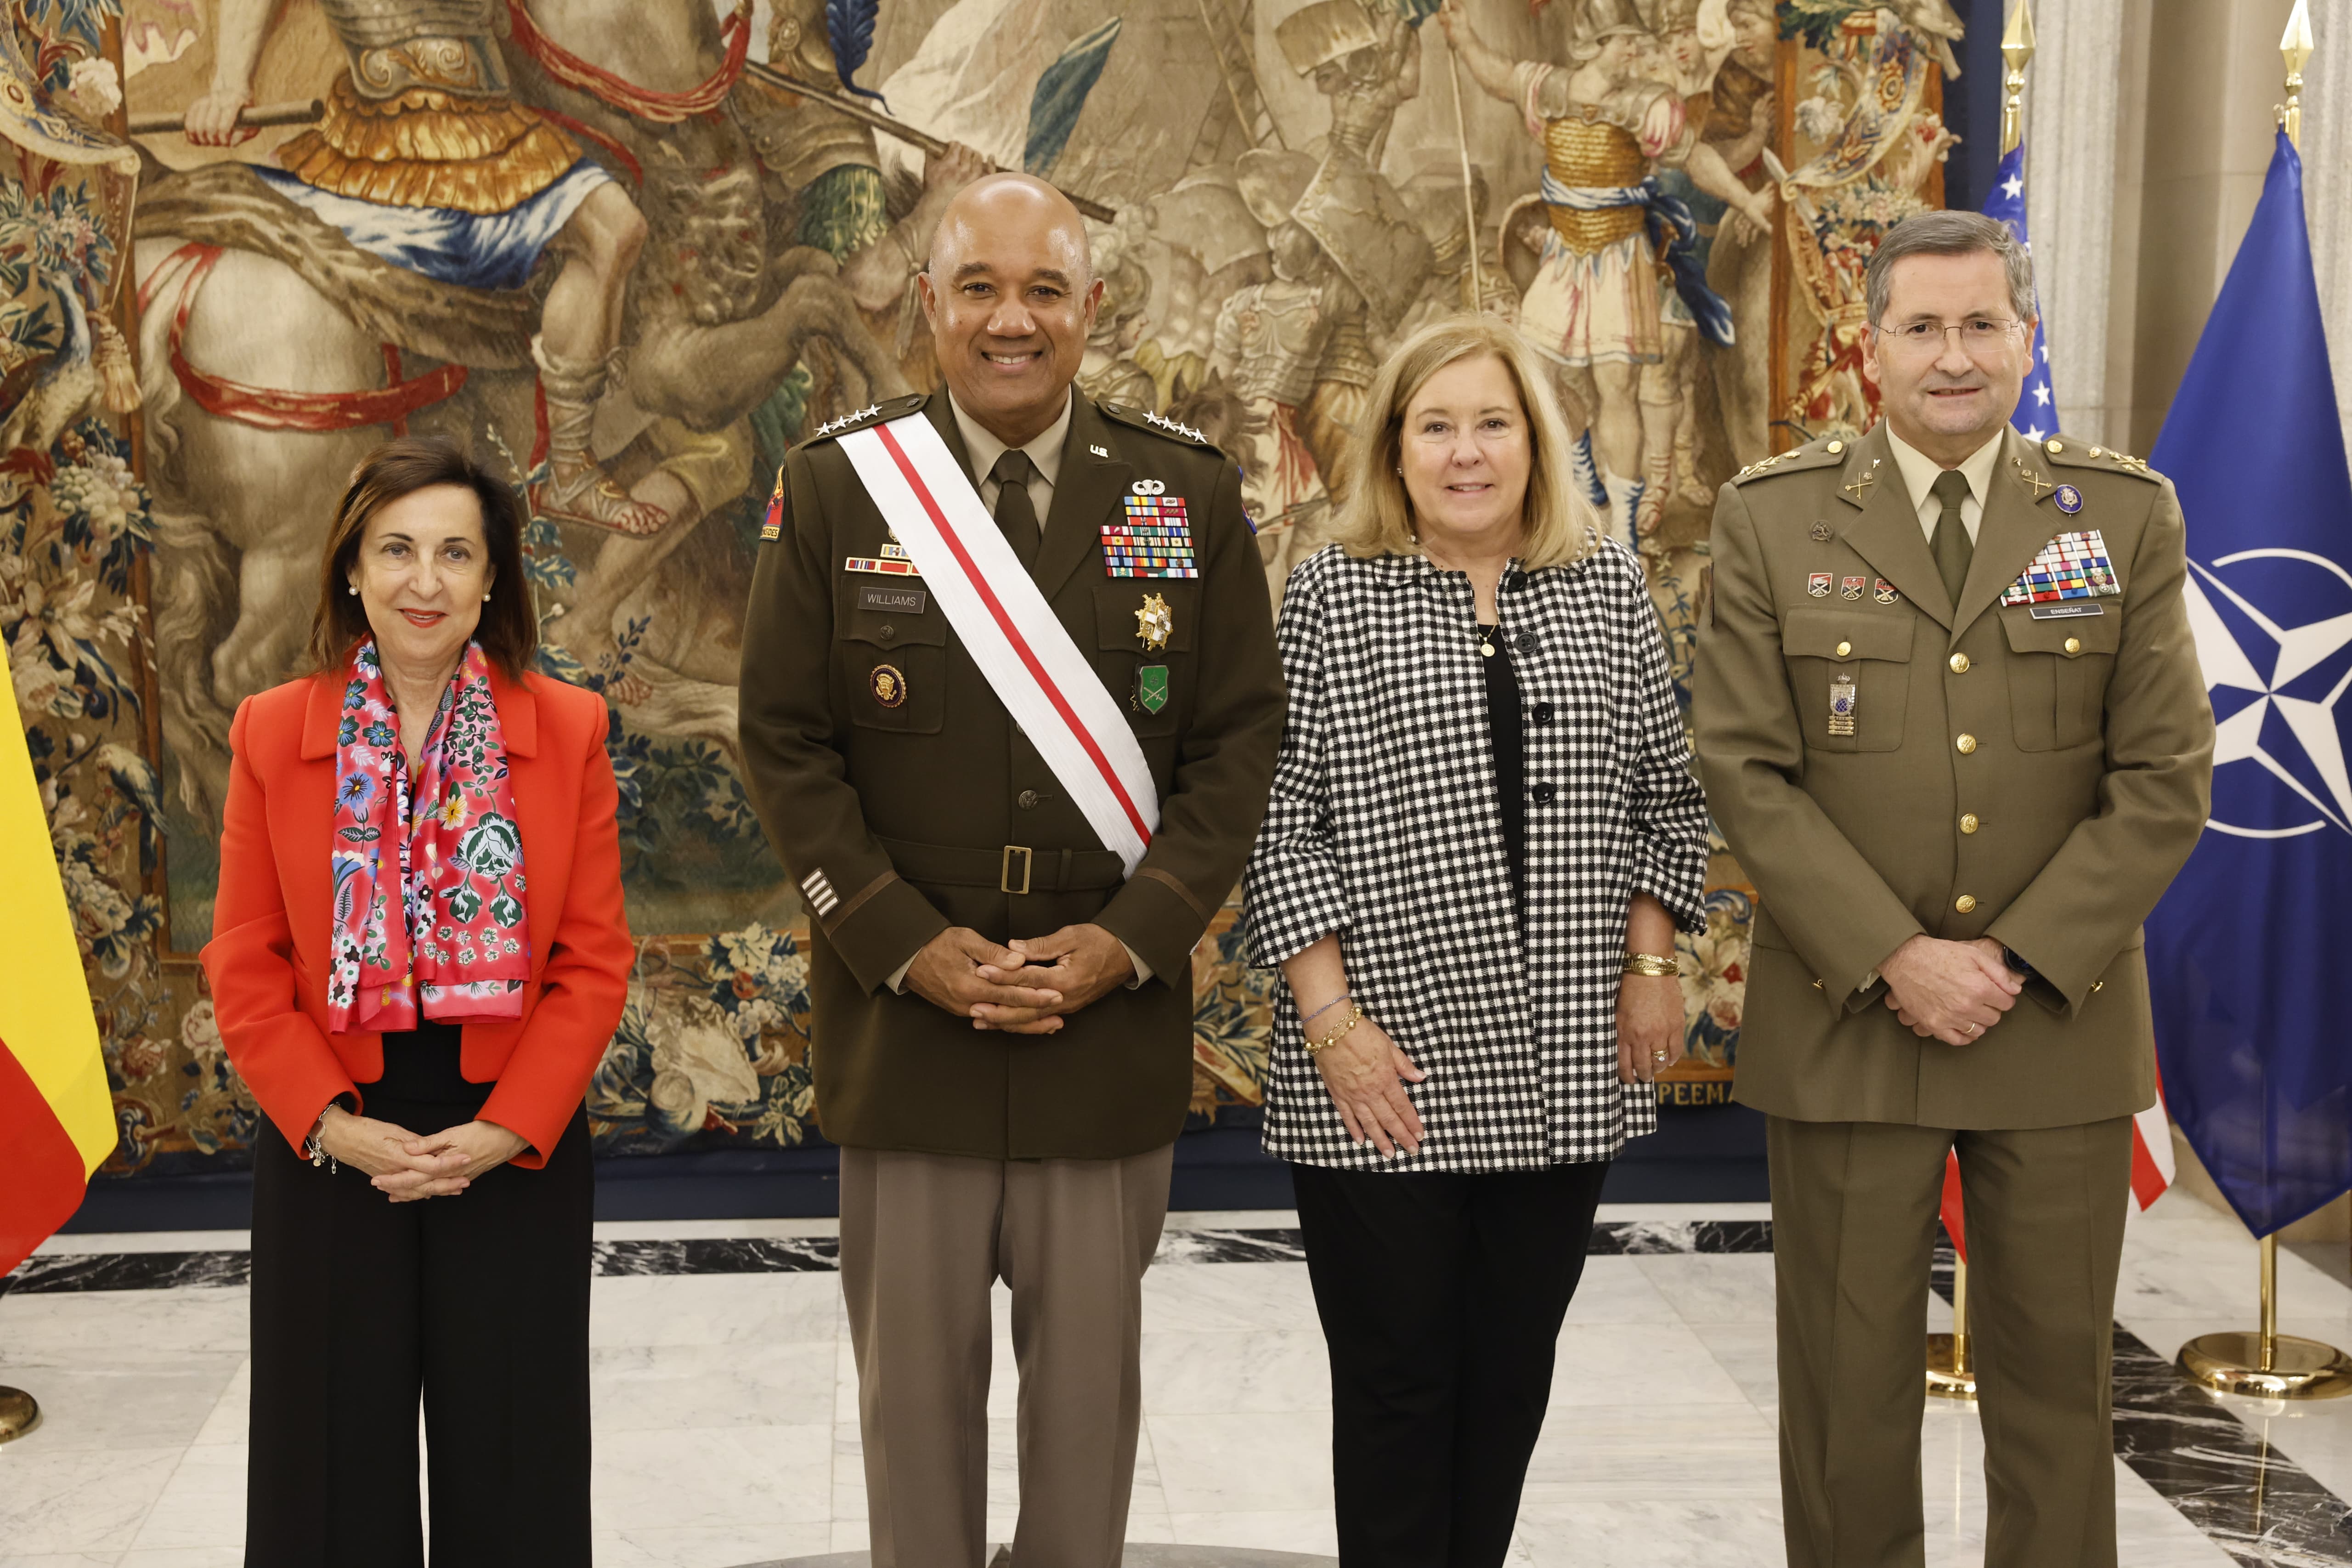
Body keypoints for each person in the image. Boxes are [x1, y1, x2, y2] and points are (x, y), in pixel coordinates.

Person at [736, 173, 1284, 1568]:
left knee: (1088, 1423)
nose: (1012, 319)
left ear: (1094, 308)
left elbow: (1234, 748)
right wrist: (903, 941)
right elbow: (786, 743)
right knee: (911, 1425)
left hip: (1102, 1033)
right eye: (978, 285)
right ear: (928, 305)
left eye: (1044, 288)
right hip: (908, 1028)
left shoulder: (1185, 489)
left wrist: (1131, 939)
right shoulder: (842, 484)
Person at [1692, 210, 2215, 1568]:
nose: (1953, 355)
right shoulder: (1774, 516)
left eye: (1982, 323)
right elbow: (1745, 770)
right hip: (1847, 1023)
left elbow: (2164, 775)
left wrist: (2020, 955)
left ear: (2025, 340)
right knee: (1846, 1408)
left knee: (2057, 1400)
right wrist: (1897, 954)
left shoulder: (2118, 513)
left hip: (2056, 1022)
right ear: (1872, 352)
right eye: (1921, 327)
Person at [1243, 314, 1710, 1567]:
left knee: (1508, 1385)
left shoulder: (1605, 584)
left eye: (1492, 422)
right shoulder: (1338, 590)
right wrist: (1334, 1026)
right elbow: (1281, 817)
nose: (1466, 451)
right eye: (1435, 425)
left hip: (1564, 1068)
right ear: (1394, 451)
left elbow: (1667, 795)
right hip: (1383, 1065)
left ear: (1535, 442)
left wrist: (1654, 964)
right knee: (1400, 1393)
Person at [201, 437, 633, 1567]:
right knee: (327, 1465)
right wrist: (330, 1123)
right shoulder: (268, 731)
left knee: (515, 1459)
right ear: (351, 568)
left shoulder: (571, 730)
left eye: (455, 553)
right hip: (331, 1135)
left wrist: (505, 1130)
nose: (424, 582)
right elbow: (244, 960)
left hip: (509, 1133)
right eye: (395, 550)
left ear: (494, 580)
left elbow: (591, 963)